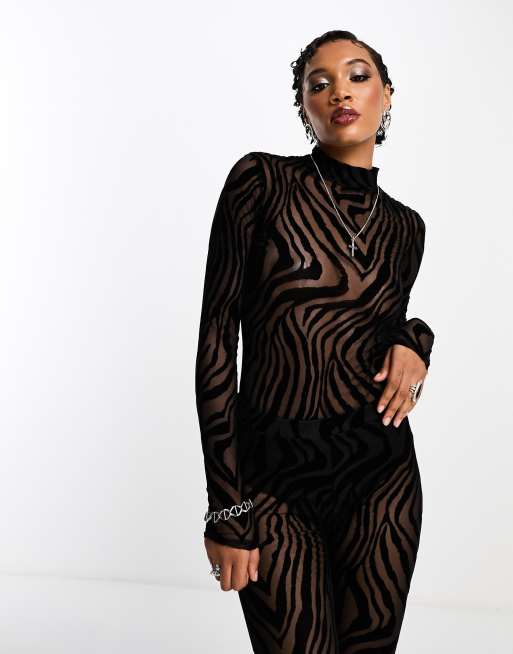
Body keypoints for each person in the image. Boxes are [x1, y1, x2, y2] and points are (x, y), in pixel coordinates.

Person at [194, 29, 435, 654]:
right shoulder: (261, 182)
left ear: (387, 94)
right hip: (273, 480)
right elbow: (217, 340)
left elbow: (380, 326)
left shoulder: (407, 228)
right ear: (303, 106)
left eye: (357, 76)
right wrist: (226, 507)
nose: (339, 93)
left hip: (381, 479)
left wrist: (417, 339)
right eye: (318, 84)